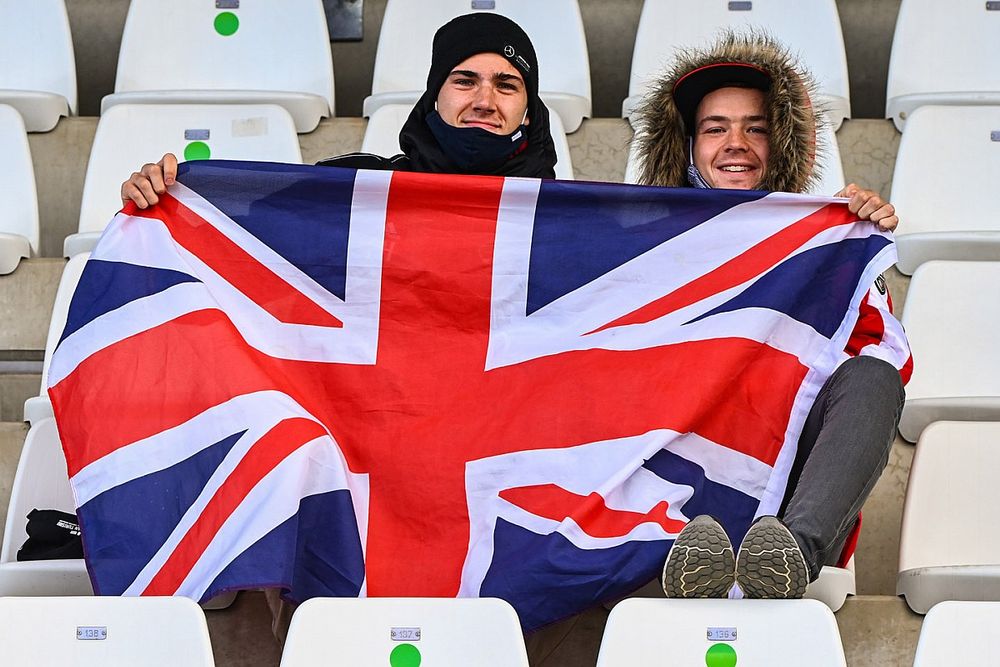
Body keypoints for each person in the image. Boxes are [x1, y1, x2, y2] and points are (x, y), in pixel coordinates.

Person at [630, 31, 910, 599]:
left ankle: (785, 559)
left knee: (872, 380)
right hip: (660, 495)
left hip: (783, 498)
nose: (737, 143)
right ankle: (673, 548)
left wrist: (854, 253)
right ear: (685, 146)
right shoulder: (638, 251)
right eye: (715, 128)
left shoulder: (826, 242)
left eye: (756, 127)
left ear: (782, 144)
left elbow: (880, 355)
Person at [120, 12, 557, 209]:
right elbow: (246, 234)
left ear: (529, 113)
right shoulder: (352, 187)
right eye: (464, 81)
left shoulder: (570, 217)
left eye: (506, 85)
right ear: (434, 98)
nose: (484, 100)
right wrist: (164, 201)